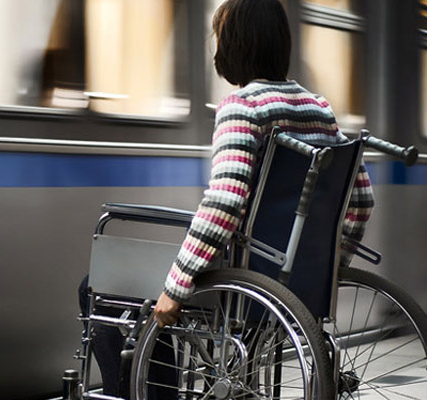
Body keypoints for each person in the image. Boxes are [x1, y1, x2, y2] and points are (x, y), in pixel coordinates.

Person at [78, 0, 375, 396]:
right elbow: (362, 201)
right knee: (153, 288)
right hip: (294, 285)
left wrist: (176, 286)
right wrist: (327, 267)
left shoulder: (242, 107)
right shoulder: (319, 109)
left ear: (232, 45)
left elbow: (225, 201)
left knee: (101, 288)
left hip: (243, 283)